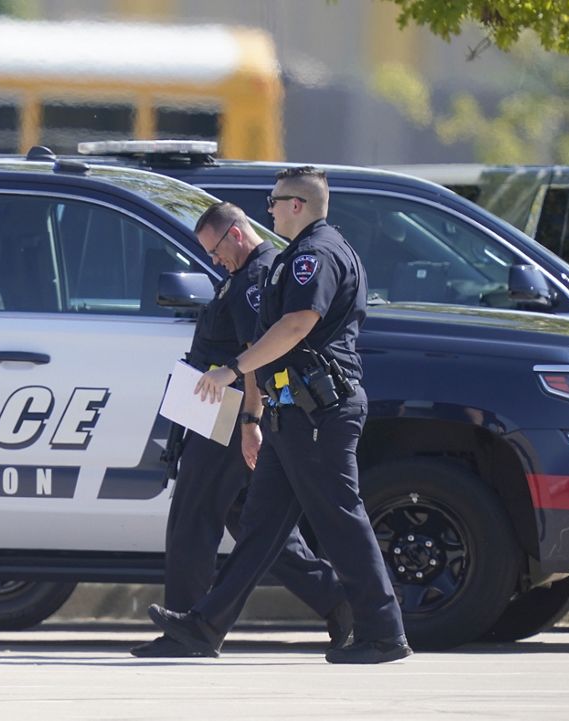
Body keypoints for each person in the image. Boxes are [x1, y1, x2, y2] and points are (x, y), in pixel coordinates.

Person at [148, 166, 412, 664]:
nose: (268, 209)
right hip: (292, 413)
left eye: (273, 201)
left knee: (340, 518)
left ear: (297, 204)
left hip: (319, 412)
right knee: (259, 529)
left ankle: (383, 631)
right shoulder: (299, 255)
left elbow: (296, 324)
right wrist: (256, 418)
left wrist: (233, 371)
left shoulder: (317, 254)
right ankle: (203, 627)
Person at [132, 201, 352, 658]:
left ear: (235, 233)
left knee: (193, 517)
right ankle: (340, 600)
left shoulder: (255, 277)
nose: (213, 260)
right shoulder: (244, 273)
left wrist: (251, 421)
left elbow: (256, 356)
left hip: (229, 413)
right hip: (218, 410)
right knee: (250, 521)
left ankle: (186, 630)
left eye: (214, 250)